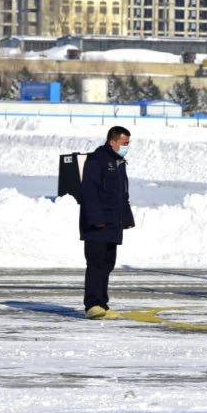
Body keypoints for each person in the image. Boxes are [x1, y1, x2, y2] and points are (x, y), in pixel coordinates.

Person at [78, 126, 135, 319]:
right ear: (113, 142)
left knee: (107, 264)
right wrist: (96, 219)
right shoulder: (97, 160)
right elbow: (89, 193)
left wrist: (126, 218)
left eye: (128, 143)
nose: (127, 146)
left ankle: (102, 303)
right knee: (95, 263)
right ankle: (92, 304)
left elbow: (122, 195)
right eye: (124, 143)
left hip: (113, 224)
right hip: (98, 224)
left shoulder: (119, 163)